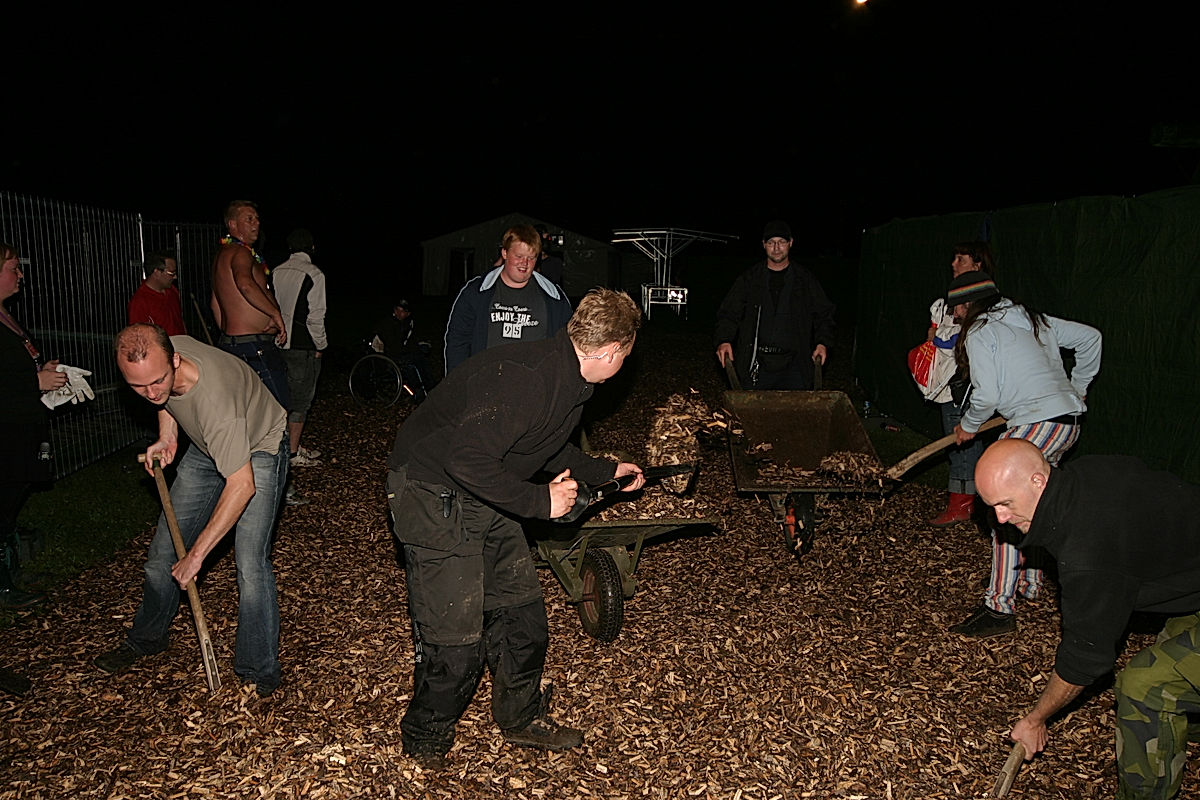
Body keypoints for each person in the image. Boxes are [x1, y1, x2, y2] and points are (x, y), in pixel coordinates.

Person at [387, 289, 646, 768]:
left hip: (487, 484)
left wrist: (605, 470)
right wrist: (540, 501)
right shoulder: (530, 380)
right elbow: (465, 458)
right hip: (432, 489)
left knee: (522, 616)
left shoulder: (568, 379)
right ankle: (426, 735)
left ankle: (521, 717)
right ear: (609, 351)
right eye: (626, 355)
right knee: (456, 639)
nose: (625, 363)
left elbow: (541, 446)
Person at [976, 438, 1200, 799]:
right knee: (1174, 644)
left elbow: (1085, 658)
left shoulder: (1087, 551)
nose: (1000, 518)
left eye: (1005, 503)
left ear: (1037, 481)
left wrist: (1035, 719)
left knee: (1145, 687)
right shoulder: (1086, 474)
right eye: (992, 506)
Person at [94, 324, 288, 697]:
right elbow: (167, 400)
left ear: (176, 361)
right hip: (207, 444)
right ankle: (149, 637)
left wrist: (197, 556)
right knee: (162, 555)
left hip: (258, 444)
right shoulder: (164, 352)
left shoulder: (217, 403)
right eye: (138, 386)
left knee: (250, 561)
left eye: (157, 381)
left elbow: (242, 485)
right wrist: (169, 435)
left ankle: (257, 669)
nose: (150, 393)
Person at [945, 271, 1101, 638]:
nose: (956, 317)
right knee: (1038, 504)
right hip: (1067, 422)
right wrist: (1075, 390)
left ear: (968, 304)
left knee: (1003, 509)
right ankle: (1029, 582)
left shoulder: (981, 329)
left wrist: (968, 424)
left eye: (957, 309)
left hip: (1035, 422)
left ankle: (998, 606)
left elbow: (987, 394)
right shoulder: (1031, 318)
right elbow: (1090, 338)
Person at [0, 242, 59, 611]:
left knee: (8, 505)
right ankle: (3, 587)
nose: (20, 274)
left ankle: (8, 573)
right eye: (13, 267)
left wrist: (41, 373)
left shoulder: (4, 314)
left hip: (19, 424)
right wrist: (33, 383)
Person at [714, 220, 835, 389]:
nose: (776, 248)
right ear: (764, 245)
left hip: (795, 366)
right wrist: (724, 339)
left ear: (790, 243)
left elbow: (824, 314)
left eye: (781, 242)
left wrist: (822, 343)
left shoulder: (804, 280)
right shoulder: (750, 280)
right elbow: (729, 313)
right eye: (771, 243)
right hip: (759, 364)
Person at [926, 241, 996, 526]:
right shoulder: (945, 304)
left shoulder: (983, 305)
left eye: (961, 259)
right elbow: (933, 337)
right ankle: (963, 499)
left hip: (966, 382)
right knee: (955, 440)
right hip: (945, 381)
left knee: (963, 441)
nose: (954, 264)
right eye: (953, 258)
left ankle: (964, 504)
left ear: (977, 265)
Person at [443, 224, 571, 374]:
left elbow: (566, 345)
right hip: (485, 385)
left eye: (531, 258)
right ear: (504, 253)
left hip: (534, 387)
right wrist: (456, 384)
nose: (525, 263)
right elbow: (457, 341)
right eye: (519, 256)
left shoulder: (553, 297)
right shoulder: (477, 292)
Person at [210, 200, 290, 409]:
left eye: (257, 219)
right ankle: (280, 444)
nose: (256, 224)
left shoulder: (222, 255)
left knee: (243, 410)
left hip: (234, 344)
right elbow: (244, 284)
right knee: (276, 410)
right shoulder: (240, 253)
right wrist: (275, 314)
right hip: (253, 348)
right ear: (232, 224)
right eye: (249, 219)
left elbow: (215, 303)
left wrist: (231, 333)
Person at [271, 228, 327, 469]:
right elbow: (316, 316)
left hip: (277, 343)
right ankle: (292, 453)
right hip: (302, 346)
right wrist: (321, 344)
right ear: (311, 248)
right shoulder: (314, 274)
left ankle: (287, 444)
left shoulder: (276, 271)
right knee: (301, 401)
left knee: (281, 397)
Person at [371, 299, 432, 399]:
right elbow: (392, 345)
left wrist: (421, 347)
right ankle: (418, 392)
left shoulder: (408, 324)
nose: (399, 313)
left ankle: (429, 386)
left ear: (408, 314)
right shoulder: (388, 324)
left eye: (402, 311)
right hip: (388, 357)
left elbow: (411, 341)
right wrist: (408, 351)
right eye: (397, 310)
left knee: (420, 359)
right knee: (410, 363)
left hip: (401, 354)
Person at [127, 250, 187, 335]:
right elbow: (139, 335)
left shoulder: (172, 291)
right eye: (171, 273)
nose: (175, 277)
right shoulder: (140, 302)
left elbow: (180, 321)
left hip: (181, 344)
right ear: (157, 272)